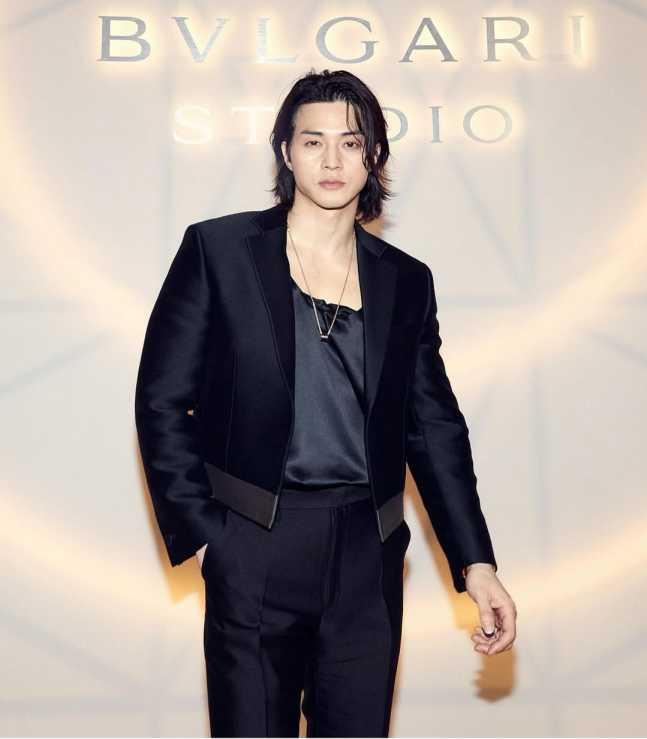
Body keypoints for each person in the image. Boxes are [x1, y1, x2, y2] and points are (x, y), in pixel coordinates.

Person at [134, 68, 517, 738]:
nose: (332, 160)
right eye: (313, 141)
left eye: (351, 141)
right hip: (253, 538)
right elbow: (162, 400)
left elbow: (432, 427)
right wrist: (207, 536)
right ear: (286, 152)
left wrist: (475, 562)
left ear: (374, 156)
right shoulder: (218, 251)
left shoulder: (406, 280)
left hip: (366, 553)